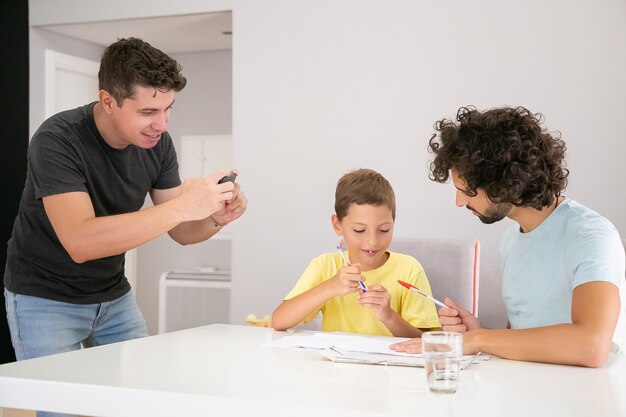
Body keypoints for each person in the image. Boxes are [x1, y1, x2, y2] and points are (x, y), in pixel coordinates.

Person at [4, 37, 247, 375]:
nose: (162, 124)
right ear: (108, 101)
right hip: (45, 297)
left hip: (113, 295)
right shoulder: (57, 139)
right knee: (58, 409)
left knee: (138, 394)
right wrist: (183, 206)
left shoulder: (157, 144)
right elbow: (81, 242)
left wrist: (216, 218)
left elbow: (180, 231)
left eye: (167, 109)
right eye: (148, 112)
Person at [390, 106, 625, 368]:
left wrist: (478, 340)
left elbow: (591, 345)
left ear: (503, 182)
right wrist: (480, 333)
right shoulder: (511, 241)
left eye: (466, 190)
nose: (459, 202)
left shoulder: (590, 235)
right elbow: (526, 342)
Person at [271, 168, 441, 337]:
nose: (373, 241)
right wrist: (331, 287)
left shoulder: (409, 268)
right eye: (360, 230)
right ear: (337, 225)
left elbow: (427, 343)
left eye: (384, 229)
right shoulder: (325, 266)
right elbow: (279, 321)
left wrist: (388, 316)